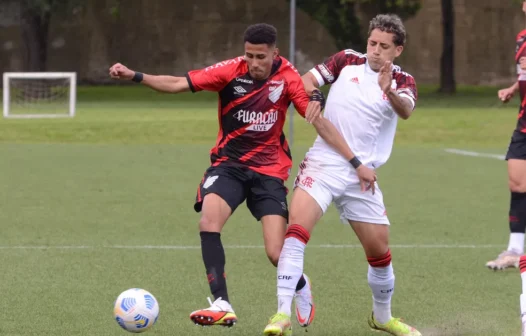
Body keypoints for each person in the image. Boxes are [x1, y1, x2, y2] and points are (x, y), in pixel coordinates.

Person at [109, 23, 358, 328]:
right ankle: (221, 302)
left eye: (261, 57)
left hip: (269, 172)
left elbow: (317, 120)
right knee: (208, 221)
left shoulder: (288, 77)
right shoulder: (230, 71)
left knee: (276, 253)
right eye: (249, 55)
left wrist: (354, 161)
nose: (254, 63)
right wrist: (135, 75)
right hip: (229, 166)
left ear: (274, 54)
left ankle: (301, 285)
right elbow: (177, 83)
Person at [263, 14, 421, 336]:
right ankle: (280, 316)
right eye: (372, 43)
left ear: (398, 50)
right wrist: (316, 95)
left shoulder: (403, 82)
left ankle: (382, 317)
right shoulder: (346, 60)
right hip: (324, 162)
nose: (375, 51)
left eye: (384, 46)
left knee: (379, 251)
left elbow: (405, 111)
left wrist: (388, 90)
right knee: (296, 230)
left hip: (363, 175)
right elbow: (305, 81)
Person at [487, 0, 526, 271]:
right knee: (517, 183)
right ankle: (514, 250)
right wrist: (514, 88)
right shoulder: (521, 39)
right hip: (524, 124)